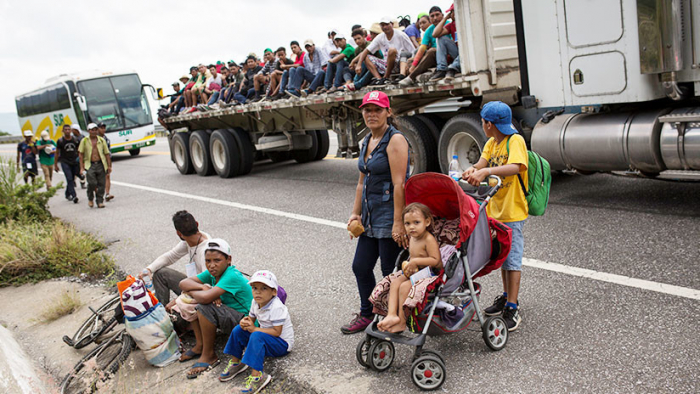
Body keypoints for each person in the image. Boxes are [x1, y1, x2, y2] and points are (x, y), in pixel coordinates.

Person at [342, 91, 410, 334]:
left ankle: (390, 317)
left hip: (389, 214)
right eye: (367, 110)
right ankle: (367, 313)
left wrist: (398, 223)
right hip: (370, 217)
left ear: (388, 112)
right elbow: (361, 182)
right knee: (360, 266)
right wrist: (355, 214)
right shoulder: (366, 141)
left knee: (388, 272)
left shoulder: (395, 140)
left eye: (377, 109)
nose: (371, 114)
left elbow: (399, 184)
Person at [462, 101, 528, 332]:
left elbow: (517, 166)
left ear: (488, 124)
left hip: (512, 210)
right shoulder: (491, 142)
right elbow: (482, 162)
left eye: (482, 121)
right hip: (495, 211)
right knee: (502, 256)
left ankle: (513, 306)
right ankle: (505, 295)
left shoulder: (515, 141)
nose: (482, 125)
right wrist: (473, 170)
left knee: (513, 259)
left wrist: (487, 171)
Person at [179, 239, 253, 379]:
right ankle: (201, 346)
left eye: (217, 260)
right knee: (195, 301)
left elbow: (205, 299)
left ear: (228, 259)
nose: (211, 265)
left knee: (204, 306)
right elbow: (183, 283)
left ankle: (209, 355)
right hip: (234, 317)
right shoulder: (213, 274)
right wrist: (202, 287)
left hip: (248, 323)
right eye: (208, 261)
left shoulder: (231, 275)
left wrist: (201, 292)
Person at [220, 270, 293, 393]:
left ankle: (257, 377)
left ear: (273, 292)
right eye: (254, 288)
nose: (258, 292)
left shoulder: (276, 307)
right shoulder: (255, 302)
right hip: (266, 338)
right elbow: (251, 319)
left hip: (282, 344)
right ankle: (236, 362)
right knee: (239, 329)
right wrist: (245, 322)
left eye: (264, 288)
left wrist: (254, 329)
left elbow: (277, 332)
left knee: (256, 335)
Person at [374, 203, 441, 333]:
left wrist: (416, 261)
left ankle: (401, 321)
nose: (412, 227)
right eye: (407, 224)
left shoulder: (428, 239)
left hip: (429, 273)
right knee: (395, 282)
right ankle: (391, 315)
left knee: (404, 287)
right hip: (415, 272)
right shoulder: (412, 238)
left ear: (427, 222)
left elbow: (436, 261)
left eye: (416, 222)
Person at [141, 210, 211, 309]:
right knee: (161, 273)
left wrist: (178, 300)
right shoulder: (192, 239)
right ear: (196, 224)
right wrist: (149, 269)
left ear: (178, 233)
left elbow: (208, 287)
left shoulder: (206, 251)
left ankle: (166, 315)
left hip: (203, 293)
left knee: (177, 308)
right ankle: (160, 311)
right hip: (194, 284)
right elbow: (171, 256)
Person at [356, 16, 415, 85]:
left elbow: (412, 51)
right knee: (366, 57)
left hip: (401, 63)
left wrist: (410, 65)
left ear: (392, 25)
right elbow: (366, 51)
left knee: (392, 50)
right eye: (382, 25)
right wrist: (358, 64)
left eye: (386, 24)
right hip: (386, 65)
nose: (384, 27)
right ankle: (379, 79)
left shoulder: (401, 35)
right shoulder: (380, 37)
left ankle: (386, 77)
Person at [78, 123, 111, 208]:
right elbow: (81, 154)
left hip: (100, 164)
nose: (94, 131)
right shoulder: (84, 141)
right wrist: (81, 168)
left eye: (96, 129)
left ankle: (100, 201)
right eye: (92, 130)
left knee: (101, 184)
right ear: (88, 131)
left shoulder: (101, 140)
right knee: (92, 183)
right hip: (90, 165)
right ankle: (90, 198)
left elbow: (107, 154)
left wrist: (109, 166)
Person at [431, 5, 460, 81]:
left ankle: (452, 68)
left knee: (465, 50)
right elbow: (435, 34)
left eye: (453, 12)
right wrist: (445, 18)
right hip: (457, 54)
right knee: (441, 38)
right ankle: (442, 69)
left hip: (466, 55)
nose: (452, 14)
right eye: (451, 12)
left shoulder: (466, 23)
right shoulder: (452, 25)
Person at [55, 124, 80, 203]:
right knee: (69, 178)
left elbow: (79, 151)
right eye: (65, 130)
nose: (67, 131)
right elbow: (57, 153)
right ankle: (74, 196)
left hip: (74, 161)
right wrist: (55, 165)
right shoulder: (60, 141)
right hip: (65, 162)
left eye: (69, 129)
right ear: (63, 131)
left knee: (72, 179)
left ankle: (67, 193)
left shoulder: (75, 140)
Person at [97, 123, 114, 201]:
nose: (103, 129)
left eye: (104, 128)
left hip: (105, 161)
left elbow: (108, 153)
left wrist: (109, 164)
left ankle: (107, 194)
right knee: (97, 179)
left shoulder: (106, 139)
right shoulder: (94, 139)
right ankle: (98, 194)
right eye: (101, 128)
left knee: (107, 176)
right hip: (96, 161)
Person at [71, 124, 87, 190]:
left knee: (83, 170)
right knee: (75, 171)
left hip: (82, 156)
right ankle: (73, 181)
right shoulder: (72, 138)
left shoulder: (83, 137)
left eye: (73, 130)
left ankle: (82, 183)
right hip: (75, 157)